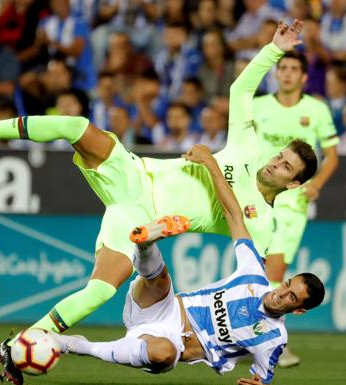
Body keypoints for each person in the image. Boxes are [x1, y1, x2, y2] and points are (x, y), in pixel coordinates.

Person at [0, 20, 316, 385]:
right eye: (280, 155)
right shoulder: (249, 148)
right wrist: (272, 49)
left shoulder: (263, 223)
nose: (275, 161)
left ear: (294, 183)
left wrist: (261, 346)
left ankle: (22, 346)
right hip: (133, 172)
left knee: (101, 289)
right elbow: (239, 91)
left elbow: (255, 282)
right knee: (76, 126)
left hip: (140, 216)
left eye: (286, 166)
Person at [53, 142, 325, 384]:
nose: (281, 293)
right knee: (161, 282)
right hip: (160, 306)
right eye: (288, 284)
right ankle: (145, 242)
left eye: (292, 297)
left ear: (298, 311)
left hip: (166, 344)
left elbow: (262, 378)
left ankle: (74, 345)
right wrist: (211, 163)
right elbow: (234, 214)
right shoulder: (253, 274)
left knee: (164, 354)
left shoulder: (273, 339)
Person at [251, 49, 339, 367]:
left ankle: (272, 340)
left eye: (293, 69)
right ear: (276, 73)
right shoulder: (257, 106)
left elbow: (333, 154)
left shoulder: (316, 109)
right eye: (282, 67)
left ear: (303, 77)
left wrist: (315, 184)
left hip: (292, 204)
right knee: (255, 269)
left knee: (273, 271)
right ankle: (260, 336)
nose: (286, 73)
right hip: (258, 197)